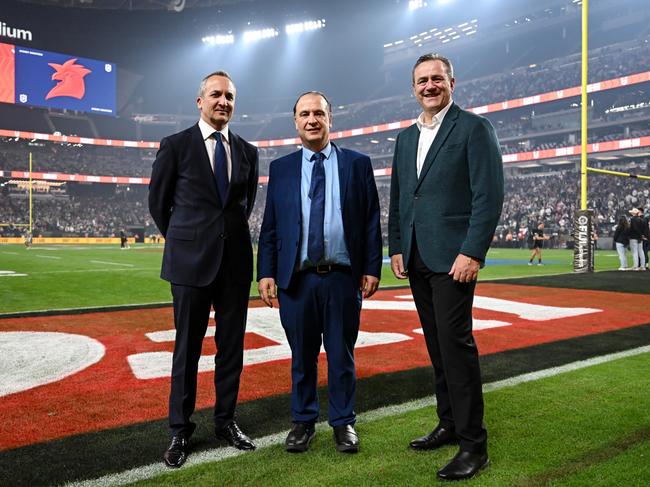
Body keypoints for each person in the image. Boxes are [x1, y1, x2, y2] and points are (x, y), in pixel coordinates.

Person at [388, 53, 504, 481]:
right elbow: (402, 197)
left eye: (437, 78)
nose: (429, 86)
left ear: (452, 81)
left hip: (454, 259)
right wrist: (396, 246)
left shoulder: (474, 127)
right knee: (437, 347)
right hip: (417, 256)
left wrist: (473, 252)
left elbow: (488, 195)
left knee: (456, 347)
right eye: (422, 80)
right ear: (413, 87)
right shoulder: (404, 138)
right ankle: (450, 423)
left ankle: (474, 444)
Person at [257, 91, 382, 454]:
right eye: (304, 114)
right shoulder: (280, 168)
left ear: (331, 119)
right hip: (297, 279)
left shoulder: (357, 163)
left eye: (319, 113)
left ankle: (344, 423)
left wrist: (372, 266)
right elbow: (271, 227)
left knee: (341, 355)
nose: (312, 120)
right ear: (295, 122)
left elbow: (372, 219)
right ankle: (303, 421)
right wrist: (266, 271)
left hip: (343, 277)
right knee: (302, 356)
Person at [148, 70, 259, 468]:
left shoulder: (248, 151)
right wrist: (187, 238)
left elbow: (242, 206)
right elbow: (159, 205)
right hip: (190, 263)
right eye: (216, 94)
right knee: (187, 350)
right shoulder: (175, 145)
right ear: (200, 101)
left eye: (229, 96)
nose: (223, 101)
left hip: (235, 266)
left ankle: (225, 421)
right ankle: (180, 429)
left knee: (231, 350)